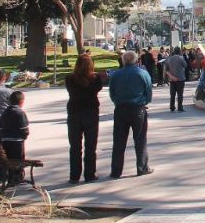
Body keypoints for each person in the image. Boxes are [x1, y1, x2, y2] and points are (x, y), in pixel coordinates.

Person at [109, 51, 153, 179]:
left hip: (121, 108)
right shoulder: (142, 73)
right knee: (140, 139)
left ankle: (116, 170)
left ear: (123, 61)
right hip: (137, 108)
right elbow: (148, 91)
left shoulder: (116, 75)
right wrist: (145, 101)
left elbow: (112, 92)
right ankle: (142, 167)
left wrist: (117, 102)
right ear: (136, 60)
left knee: (118, 141)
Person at [65, 55, 103, 183]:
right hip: (90, 112)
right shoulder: (95, 78)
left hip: (74, 113)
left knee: (75, 146)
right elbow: (98, 88)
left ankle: (74, 175)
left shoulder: (70, 78)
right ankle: (89, 173)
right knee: (91, 146)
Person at [0, 91, 29, 185]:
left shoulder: (4, 113)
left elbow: (0, 128)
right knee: (18, 159)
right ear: (21, 101)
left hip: (5, 141)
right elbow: (24, 129)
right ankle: (17, 177)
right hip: (17, 141)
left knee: (10, 159)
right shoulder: (20, 113)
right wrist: (24, 136)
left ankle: (11, 176)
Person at [165, 46, 187, 112]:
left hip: (172, 79)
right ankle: (180, 107)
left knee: (172, 94)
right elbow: (185, 65)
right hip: (180, 78)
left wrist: (171, 76)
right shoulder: (181, 58)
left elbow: (167, 69)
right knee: (180, 94)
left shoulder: (169, 59)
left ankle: (172, 107)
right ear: (180, 51)